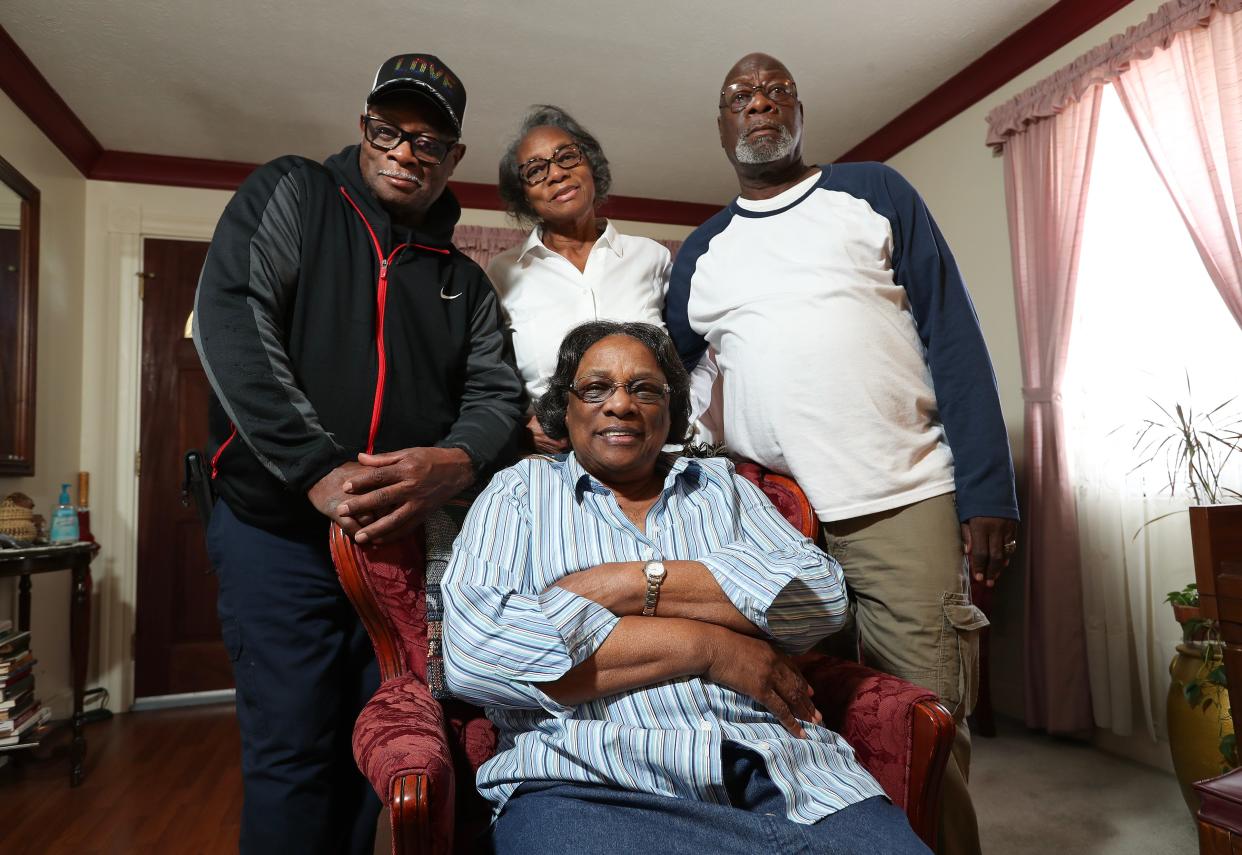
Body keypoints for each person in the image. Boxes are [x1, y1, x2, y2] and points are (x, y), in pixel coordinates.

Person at [663, 53, 1019, 855]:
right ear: (721, 127)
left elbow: (953, 335)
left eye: (774, 89)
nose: (757, 104)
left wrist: (988, 490)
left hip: (902, 498)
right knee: (793, 728)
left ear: (798, 109)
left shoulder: (876, 192)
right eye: (738, 97)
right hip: (775, 522)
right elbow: (667, 374)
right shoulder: (701, 252)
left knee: (928, 727)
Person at [193, 53, 525, 854]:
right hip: (278, 536)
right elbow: (233, 318)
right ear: (364, 127)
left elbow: (498, 398)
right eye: (390, 130)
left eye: (429, 141)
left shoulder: (464, 281)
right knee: (292, 754)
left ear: (453, 160)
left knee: (373, 749)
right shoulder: (294, 192)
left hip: (398, 553)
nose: (406, 151)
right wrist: (314, 466)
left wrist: (457, 460)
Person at [441, 321, 930, 855]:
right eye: (596, 388)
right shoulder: (519, 492)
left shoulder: (723, 489)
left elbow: (817, 601)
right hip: (588, 786)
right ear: (567, 406)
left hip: (784, 776)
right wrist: (711, 647)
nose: (621, 405)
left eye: (645, 389)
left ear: (670, 410)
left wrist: (625, 584)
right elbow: (477, 652)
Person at [488, 105, 673, 453]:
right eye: (535, 170)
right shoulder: (503, 273)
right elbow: (488, 376)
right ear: (523, 194)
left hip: (649, 456)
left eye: (567, 157)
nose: (556, 174)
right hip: (554, 463)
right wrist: (519, 424)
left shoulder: (651, 258)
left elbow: (685, 363)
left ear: (591, 166)